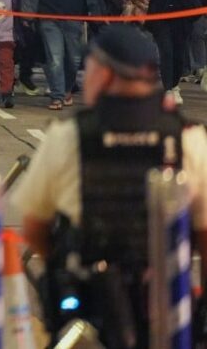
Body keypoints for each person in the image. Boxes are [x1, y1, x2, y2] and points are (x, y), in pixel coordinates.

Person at [12, 25, 207, 348]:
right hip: (167, 312)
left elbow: (35, 228)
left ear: (104, 74)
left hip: (86, 317)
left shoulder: (69, 136)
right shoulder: (188, 137)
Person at [146, 0, 200, 105]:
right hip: (161, 17)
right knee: (166, 52)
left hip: (182, 18)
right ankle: (168, 88)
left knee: (178, 52)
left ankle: (175, 85)